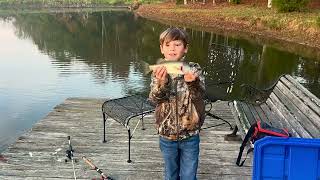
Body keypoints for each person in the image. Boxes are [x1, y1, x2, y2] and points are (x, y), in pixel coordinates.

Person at [149, 27, 206, 180]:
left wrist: (192, 83)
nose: (172, 48)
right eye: (167, 45)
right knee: (170, 174)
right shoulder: (160, 70)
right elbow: (155, 99)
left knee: (189, 175)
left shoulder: (194, 69)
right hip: (167, 135)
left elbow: (199, 95)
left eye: (177, 44)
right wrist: (161, 83)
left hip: (190, 134)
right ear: (162, 49)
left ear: (185, 48)